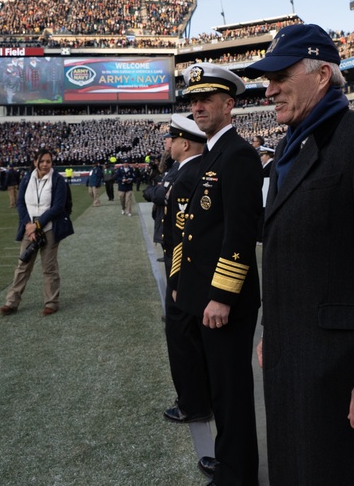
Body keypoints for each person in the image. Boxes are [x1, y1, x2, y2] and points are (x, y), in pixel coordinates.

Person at [242, 24, 354, 485]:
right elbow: (284, 254)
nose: (270, 90)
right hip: (292, 362)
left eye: (281, 76)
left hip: (345, 377)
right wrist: (272, 330)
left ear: (322, 75)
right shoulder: (289, 147)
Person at [170, 62, 263, 486]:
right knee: (221, 389)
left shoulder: (238, 154)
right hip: (204, 297)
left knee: (231, 392)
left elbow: (240, 233)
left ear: (230, 104)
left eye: (206, 99)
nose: (197, 106)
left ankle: (237, 474)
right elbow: (197, 233)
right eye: (193, 100)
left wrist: (222, 296)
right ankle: (229, 461)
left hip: (223, 301)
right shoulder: (213, 153)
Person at [157, 114, 217, 481]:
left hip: (182, 268)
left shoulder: (190, 174)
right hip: (181, 266)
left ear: (185, 142)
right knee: (185, 338)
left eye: (172, 139)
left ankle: (193, 404)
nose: (168, 144)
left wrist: (177, 277)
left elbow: (182, 233)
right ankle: (195, 400)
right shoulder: (190, 171)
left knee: (182, 339)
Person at [0, 148, 74, 317]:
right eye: (42, 161)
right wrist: (28, 225)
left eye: (48, 161)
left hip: (49, 229)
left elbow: (57, 208)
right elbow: (21, 204)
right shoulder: (27, 178)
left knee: (49, 267)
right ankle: (11, 302)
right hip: (29, 229)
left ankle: (52, 303)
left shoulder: (58, 180)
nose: (45, 164)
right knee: (23, 265)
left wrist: (37, 225)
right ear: (35, 162)